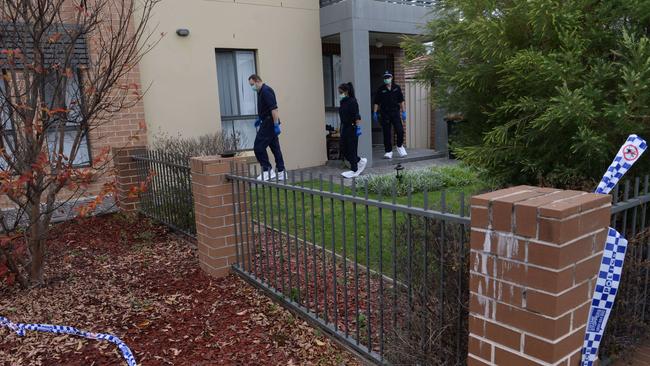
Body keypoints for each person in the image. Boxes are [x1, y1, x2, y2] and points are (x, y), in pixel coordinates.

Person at [249, 74, 286, 181]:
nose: (252, 87)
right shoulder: (261, 92)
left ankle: (267, 170)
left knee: (258, 147)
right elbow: (266, 109)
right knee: (275, 147)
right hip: (266, 121)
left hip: (269, 123)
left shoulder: (266, 91)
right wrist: (259, 118)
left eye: (252, 84)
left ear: (257, 81)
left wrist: (275, 125)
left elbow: (274, 109)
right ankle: (281, 171)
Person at [373, 71, 407, 159]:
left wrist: (403, 112)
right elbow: (376, 102)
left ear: (391, 78)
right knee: (386, 133)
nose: (386, 79)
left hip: (395, 112)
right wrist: (375, 112)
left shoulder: (397, 88)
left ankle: (400, 146)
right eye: (385, 78)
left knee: (400, 131)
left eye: (388, 77)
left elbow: (401, 100)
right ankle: (388, 151)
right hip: (385, 114)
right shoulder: (381, 89)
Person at [337, 82, 367, 178]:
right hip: (345, 128)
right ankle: (360, 161)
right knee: (343, 149)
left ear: (346, 92)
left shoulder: (353, 101)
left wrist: (358, 128)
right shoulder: (342, 102)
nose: (339, 94)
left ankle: (354, 169)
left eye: (341, 92)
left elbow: (357, 116)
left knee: (351, 149)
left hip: (352, 127)